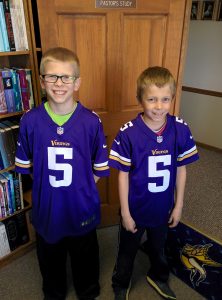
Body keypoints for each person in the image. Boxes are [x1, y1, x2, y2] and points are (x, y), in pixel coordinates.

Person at [15, 47, 109, 300]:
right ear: (42, 81)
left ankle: (87, 291)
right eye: (52, 76)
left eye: (66, 77)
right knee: (49, 255)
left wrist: (82, 188)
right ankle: (53, 292)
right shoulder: (30, 120)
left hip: (81, 206)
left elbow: (99, 169)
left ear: (77, 82)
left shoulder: (91, 121)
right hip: (48, 208)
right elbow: (28, 169)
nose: (59, 83)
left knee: (85, 254)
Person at [109, 66, 199, 300]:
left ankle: (158, 277)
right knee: (126, 252)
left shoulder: (179, 128)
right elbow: (122, 176)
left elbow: (181, 168)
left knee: (159, 248)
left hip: (163, 207)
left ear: (172, 98)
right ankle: (120, 282)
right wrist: (126, 213)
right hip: (135, 209)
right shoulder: (128, 133)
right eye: (151, 99)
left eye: (165, 99)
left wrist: (178, 206)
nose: (159, 106)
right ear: (140, 99)